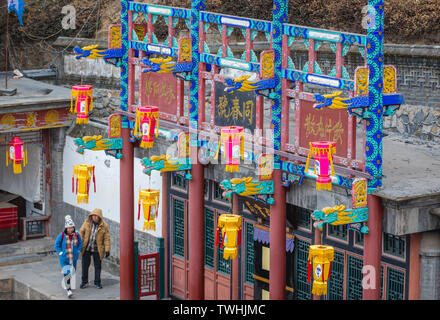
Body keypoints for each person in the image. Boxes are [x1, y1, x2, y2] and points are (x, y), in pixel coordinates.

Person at [79, 208, 110, 289]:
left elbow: (107, 238)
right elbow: (81, 232)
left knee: (98, 266)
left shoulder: (104, 226)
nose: (95, 218)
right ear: (91, 216)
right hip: (87, 247)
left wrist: (107, 250)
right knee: (85, 265)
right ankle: (84, 282)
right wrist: (80, 244)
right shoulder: (87, 222)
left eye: (97, 216)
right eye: (94, 216)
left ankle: (97, 282)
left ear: (100, 217)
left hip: (97, 249)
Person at [54, 215, 82, 298]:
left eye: (72, 227)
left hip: (73, 257)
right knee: (67, 273)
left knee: (72, 272)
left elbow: (80, 243)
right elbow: (56, 245)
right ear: (66, 228)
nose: (70, 229)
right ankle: (68, 289)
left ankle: (69, 286)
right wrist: (61, 253)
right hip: (64, 258)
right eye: (69, 228)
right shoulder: (62, 235)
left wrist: (78, 250)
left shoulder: (76, 234)